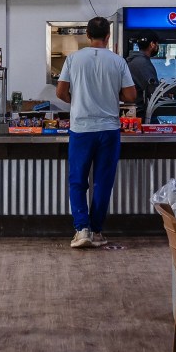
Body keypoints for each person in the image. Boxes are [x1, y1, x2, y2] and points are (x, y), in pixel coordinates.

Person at [55, 16, 136, 249]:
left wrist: (78, 101)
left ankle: (82, 230)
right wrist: (112, 95)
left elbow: (61, 93)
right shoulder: (118, 61)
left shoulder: (73, 59)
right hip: (109, 129)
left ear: (87, 36)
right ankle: (98, 231)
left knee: (77, 180)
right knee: (103, 182)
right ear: (108, 36)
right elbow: (131, 96)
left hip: (80, 128)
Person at [126, 33, 159, 108]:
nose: (157, 46)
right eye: (157, 43)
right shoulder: (142, 63)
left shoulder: (137, 60)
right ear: (152, 44)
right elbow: (153, 90)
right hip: (140, 110)